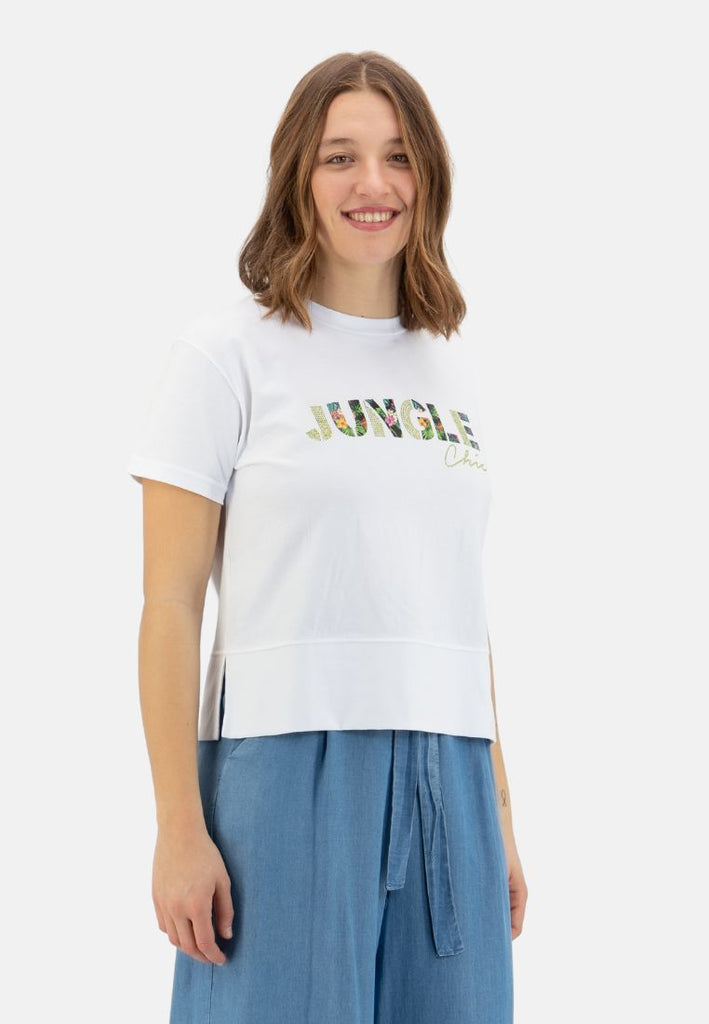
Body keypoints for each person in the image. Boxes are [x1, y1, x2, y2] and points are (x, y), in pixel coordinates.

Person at [127, 50, 527, 1024]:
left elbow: (457, 607)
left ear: (428, 177)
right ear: (296, 177)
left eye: (398, 156)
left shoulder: (449, 371)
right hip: (284, 769)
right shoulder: (226, 357)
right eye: (339, 157)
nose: (372, 183)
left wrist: (500, 816)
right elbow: (169, 603)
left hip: (451, 779)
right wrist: (179, 825)